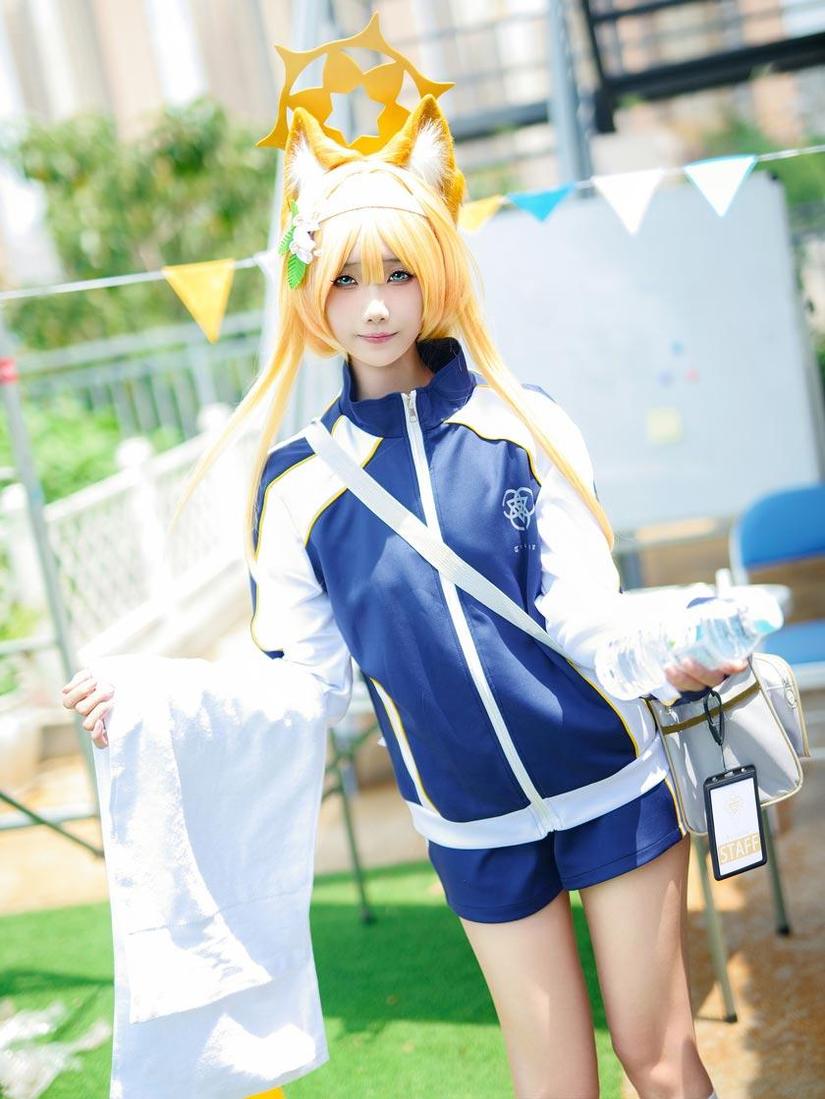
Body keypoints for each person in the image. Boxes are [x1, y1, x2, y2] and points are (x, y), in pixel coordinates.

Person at [62, 45, 744, 1099]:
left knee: (658, 1061)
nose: (375, 305)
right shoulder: (297, 486)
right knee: (555, 1086)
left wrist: (668, 653)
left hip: (610, 777)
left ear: (436, 271)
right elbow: (306, 686)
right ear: (309, 287)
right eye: (345, 278)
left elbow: (585, 612)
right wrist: (163, 694)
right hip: (470, 822)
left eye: (396, 272)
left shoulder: (521, 421)